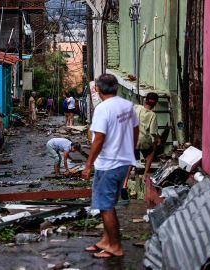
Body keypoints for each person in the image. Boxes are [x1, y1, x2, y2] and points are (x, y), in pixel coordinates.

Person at [81, 74, 139, 258]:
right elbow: (135, 131)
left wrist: (88, 165)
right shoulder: (128, 106)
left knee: (105, 206)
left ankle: (115, 246)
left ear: (98, 89)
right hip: (122, 162)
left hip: (108, 165)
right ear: (116, 87)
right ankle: (106, 240)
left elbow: (98, 139)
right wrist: (129, 152)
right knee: (110, 204)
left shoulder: (102, 109)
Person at [134, 92, 161, 178]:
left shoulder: (137, 107)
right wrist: (158, 138)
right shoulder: (152, 115)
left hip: (132, 138)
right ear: (155, 103)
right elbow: (153, 132)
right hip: (143, 141)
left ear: (145, 100)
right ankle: (145, 174)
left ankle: (125, 181)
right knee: (151, 152)